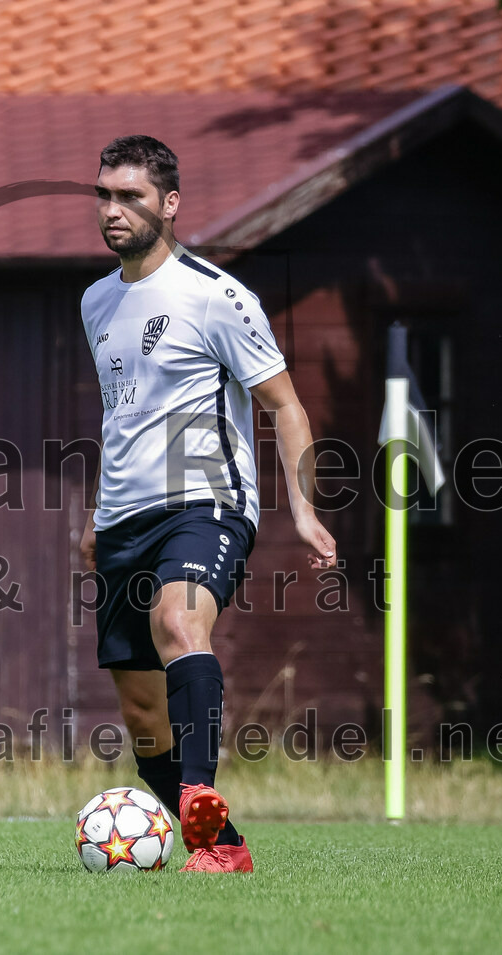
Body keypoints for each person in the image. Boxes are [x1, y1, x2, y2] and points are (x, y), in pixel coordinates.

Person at [79, 135, 337, 873]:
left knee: (176, 619)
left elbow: (285, 407)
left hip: (206, 502)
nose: (113, 209)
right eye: (104, 194)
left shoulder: (216, 296)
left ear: (169, 204)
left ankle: (199, 791)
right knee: (139, 711)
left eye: (130, 196)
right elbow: (119, 416)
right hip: (124, 517)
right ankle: (221, 846)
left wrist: (303, 507)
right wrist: (98, 519)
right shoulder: (97, 299)